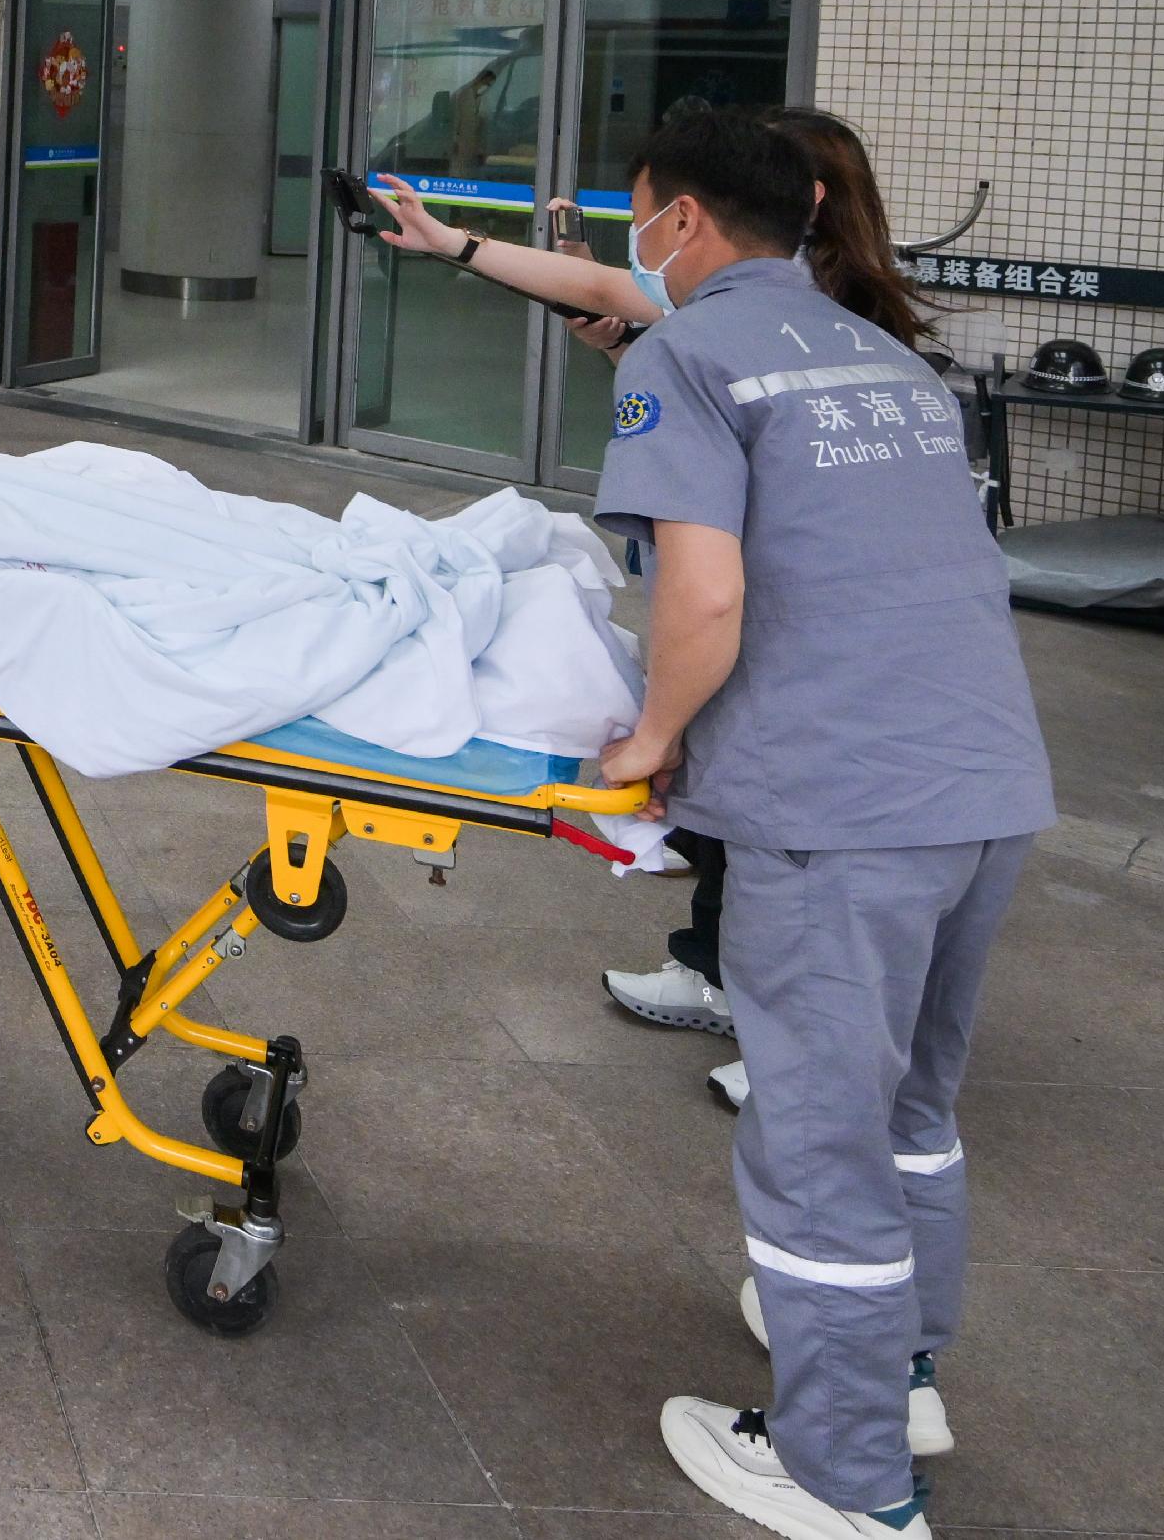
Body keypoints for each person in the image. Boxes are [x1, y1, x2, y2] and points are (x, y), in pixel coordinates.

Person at [586, 103, 1050, 1540]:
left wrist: (649, 739)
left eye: (641, 210)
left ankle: (846, 1473)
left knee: (817, 1142)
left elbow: (703, 594)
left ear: (682, 219)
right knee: (911, 1110)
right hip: (982, 781)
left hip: (835, 803)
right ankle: (899, 1374)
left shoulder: (687, 354)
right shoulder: (891, 358)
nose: (634, 238)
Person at [366, 106, 942, 1110]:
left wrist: (654, 733)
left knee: (811, 874)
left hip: (816, 664)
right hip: (855, 682)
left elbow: (709, 583)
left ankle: (804, 1054)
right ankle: (736, 986)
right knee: (747, 839)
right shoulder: (776, 318)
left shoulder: (790, 326)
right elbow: (602, 290)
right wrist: (453, 242)